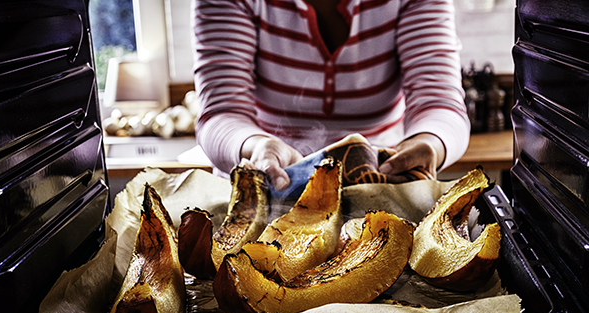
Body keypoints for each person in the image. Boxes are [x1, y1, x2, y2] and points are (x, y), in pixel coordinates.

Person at [191, 0, 470, 190]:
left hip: (380, 190)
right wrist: (257, 146)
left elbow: (439, 105)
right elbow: (221, 113)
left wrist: (430, 141)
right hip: (264, 190)